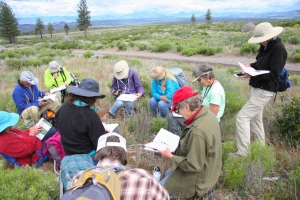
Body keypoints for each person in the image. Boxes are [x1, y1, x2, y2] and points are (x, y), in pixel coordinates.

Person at [233, 22, 287, 157]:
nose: (260, 42)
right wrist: (250, 67)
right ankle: (260, 149)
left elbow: (274, 74)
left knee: (242, 117)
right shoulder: (265, 46)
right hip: (258, 87)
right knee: (255, 118)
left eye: (261, 40)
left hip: (266, 90)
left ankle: (243, 153)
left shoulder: (278, 49)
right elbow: (261, 64)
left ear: (269, 37)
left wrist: (253, 73)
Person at [159, 86, 222, 199]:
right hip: (209, 172)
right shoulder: (208, 115)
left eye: (178, 110)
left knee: (158, 192)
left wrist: (171, 157)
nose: (179, 114)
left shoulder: (198, 131)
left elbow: (193, 165)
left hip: (197, 181)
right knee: (168, 173)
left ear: (187, 107)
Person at [93, 132, 170, 200]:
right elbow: (165, 198)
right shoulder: (143, 177)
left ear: (98, 153)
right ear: (124, 154)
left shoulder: (82, 177)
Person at [168, 63, 225, 136]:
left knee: (173, 119)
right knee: (174, 114)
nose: (198, 82)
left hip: (205, 124)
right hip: (199, 118)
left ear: (207, 76)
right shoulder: (209, 84)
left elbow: (212, 117)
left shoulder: (215, 93)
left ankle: (175, 144)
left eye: (199, 80)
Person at [56, 78, 107, 156]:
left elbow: (58, 125)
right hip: (87, 154)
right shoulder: (91, 116)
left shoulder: (63, 107)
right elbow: (99, 144)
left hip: (68, 151)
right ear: (93, 97)